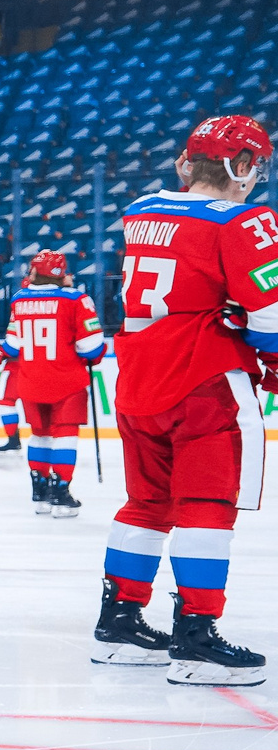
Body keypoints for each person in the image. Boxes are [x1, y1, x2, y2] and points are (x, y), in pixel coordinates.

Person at [93, 116, 278, 683]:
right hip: (205, 379)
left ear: (185, 162)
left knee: (147, 502)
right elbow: (269, 315)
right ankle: (196, 635)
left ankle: (119, 622)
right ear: (240, 166)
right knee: (207, 504)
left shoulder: (143, 210)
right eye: (256, 165)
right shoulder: (246, 220)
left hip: (140, 378)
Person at [0, 249, 103, 519]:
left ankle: (39, 494)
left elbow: (12, 344)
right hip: (67, 383)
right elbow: (92, 348)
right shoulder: (77, 299)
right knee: (65, 435)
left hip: (31, 382)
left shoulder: (19, 300)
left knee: (39, 434)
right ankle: (61, 494)